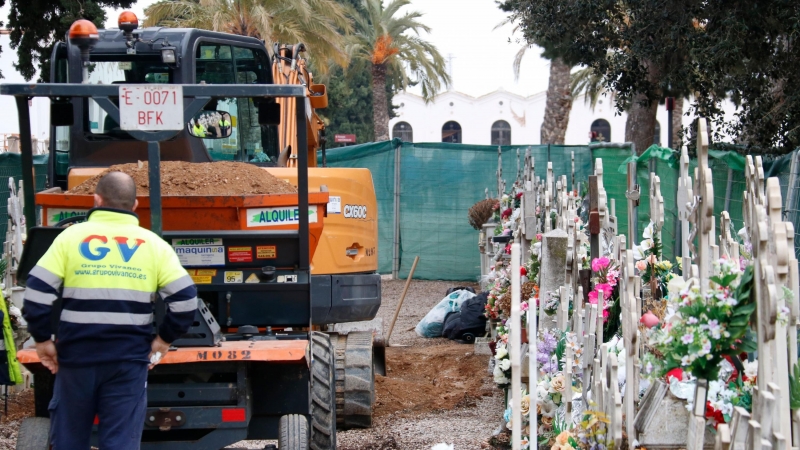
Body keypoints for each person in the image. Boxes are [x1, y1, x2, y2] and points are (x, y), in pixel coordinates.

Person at [22, 171, 197, 449]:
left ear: (96, 200)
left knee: (68, 441)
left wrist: (43, 340)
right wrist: (163, 340)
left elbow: (36, 293)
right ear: (135, 206)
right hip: (127, 362)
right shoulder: (154, 245)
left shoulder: (70, 238)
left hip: (75, 359)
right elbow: (186, 301)